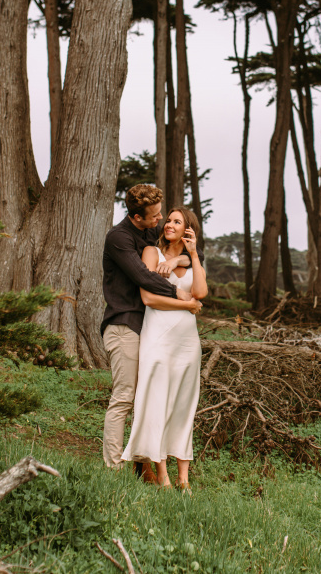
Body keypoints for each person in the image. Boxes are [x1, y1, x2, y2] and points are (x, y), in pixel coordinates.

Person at [101, 185, 201, 475]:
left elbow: (193, 254)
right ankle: (113, 468)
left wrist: (177, 259)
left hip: (147, 328)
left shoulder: (149, 232)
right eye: (155, 216)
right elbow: (142, 276)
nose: (160, 221)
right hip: (124, 324)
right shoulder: (119, 238)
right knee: (124, 397)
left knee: (145, 397)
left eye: (162, 215)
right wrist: (177, 293)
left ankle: (141, 468)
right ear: (136, 217)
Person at [121, 206, 207, 491]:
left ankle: (184, 479)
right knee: (158, 401)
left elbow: (201, 293)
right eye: (168, 220)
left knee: (183, 405)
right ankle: (162, 475)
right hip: (158, 336)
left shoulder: (192, 260)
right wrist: (187, 304)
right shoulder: (151, 253)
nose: (168, 224)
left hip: (187, 342)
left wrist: (192, 255)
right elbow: (149, 298)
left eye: (176, 222)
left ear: (188, 230)